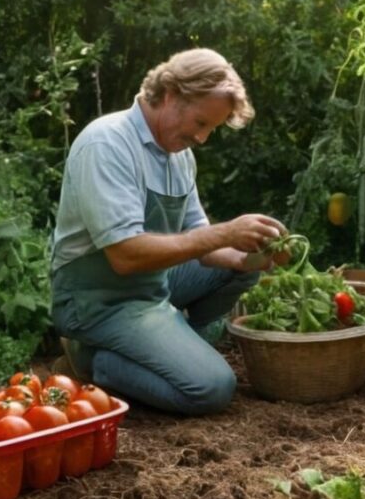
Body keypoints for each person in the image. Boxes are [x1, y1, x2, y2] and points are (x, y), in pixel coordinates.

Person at [50, 48, 289, 415]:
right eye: (200, 122)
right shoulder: (107, 143)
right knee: (212, 388)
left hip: (150, 286)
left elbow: (203, 246)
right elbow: (125, 255)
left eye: (211, 128)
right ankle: (92, 359)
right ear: (170, 94)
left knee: (238, 271)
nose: (203, 137)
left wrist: (253, 257)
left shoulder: (179, 156)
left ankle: (170, 349)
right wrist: (225, 233)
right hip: (98, 299)